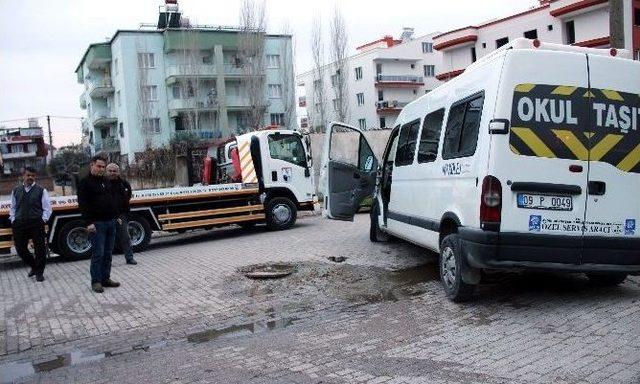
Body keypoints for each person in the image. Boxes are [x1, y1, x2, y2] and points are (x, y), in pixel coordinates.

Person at [77, 155, 120, 293]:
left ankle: (105, 278)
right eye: (99, 166)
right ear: (92, 165)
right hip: (97, 224)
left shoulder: (106, 181)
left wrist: (116, 216)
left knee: (108, 253)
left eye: (103, 167)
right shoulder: (85, 183)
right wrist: (88, 223)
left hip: (111, 222)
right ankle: (96, 281)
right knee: (98, 254)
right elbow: (83, 205)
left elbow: (112, 199)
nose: (101, 169)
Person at [9, 166, 52, 282]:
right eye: (28, 175)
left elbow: (47, 208)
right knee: (20, 249)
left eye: (33, 176)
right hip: (20, 224)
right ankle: (34, 266)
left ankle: (39, 273)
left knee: (40, 249)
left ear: (35, 177)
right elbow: (13, 207)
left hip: (36, 223)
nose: (30, 177)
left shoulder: (41, 190)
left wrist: (43, 220)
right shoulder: (16, 190)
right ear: (23, 175)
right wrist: (13, 219)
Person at [105, 163, 137, 265]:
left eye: (114, 171)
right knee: (107, 239)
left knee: (125, 237)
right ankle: (106, 262)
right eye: (110, 171)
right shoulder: (103, 183)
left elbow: (129, 194)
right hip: (106, 215)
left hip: (121, 214)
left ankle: (129, 258)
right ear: (106, 171)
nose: (112, 173)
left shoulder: (123, 183)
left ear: (118, 172)